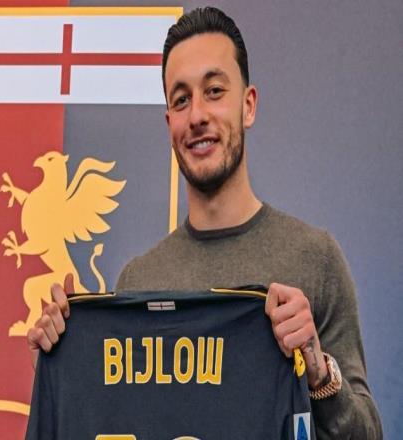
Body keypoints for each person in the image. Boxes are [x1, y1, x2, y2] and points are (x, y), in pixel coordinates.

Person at [26, 7, 382, 439]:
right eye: (181, 100)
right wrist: (63, 356)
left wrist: (318, 371)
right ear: (169, 123)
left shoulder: (315, 259)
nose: (197, 115)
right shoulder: (138, 282)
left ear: (248, 105)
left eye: (214, 91)